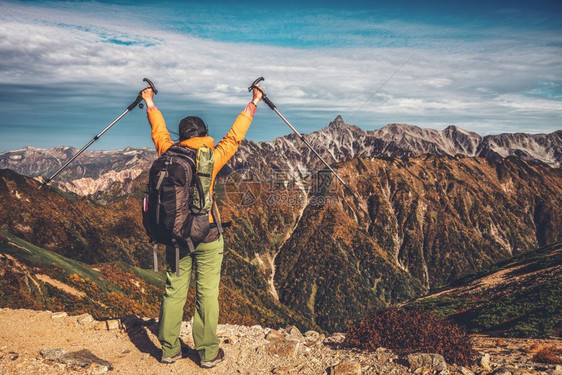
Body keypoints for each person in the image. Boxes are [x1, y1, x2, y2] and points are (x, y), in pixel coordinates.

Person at [140, 83, 264, 368]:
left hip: (175, 237)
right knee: (207, 294)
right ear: (205, 135)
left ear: (181, 137)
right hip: (207, 236)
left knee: (174, 290)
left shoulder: (168, 153)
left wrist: (149, 102)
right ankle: (207, 353)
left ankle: (169, 350)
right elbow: (234, 137)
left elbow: (158, 131)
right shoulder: (212, 157)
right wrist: (253, 102)